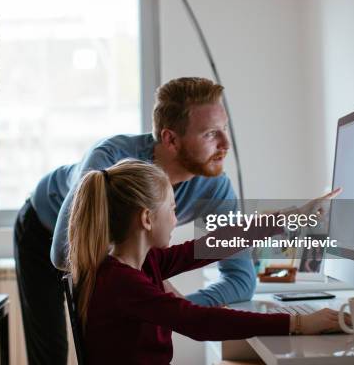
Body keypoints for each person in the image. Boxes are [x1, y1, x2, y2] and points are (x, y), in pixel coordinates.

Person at [15, 77, 264, 364]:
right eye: (210, 134)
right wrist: (166, 305)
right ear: (171, 138)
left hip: (107, 254)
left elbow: (242, 279)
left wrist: (171, 309)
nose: (226, 144)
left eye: (225, 128)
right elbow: (63, 253)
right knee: (51, 354)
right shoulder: (111, 159)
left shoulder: (214, 186)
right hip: (44, 229)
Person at [68, 159, 345, 365]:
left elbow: (209, 246)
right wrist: (297, 324)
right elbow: (198, 322)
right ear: (147, 219)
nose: (176, 219)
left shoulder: (141, 263)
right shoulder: (121, 282)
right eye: (172, 209)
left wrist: (290, 217)